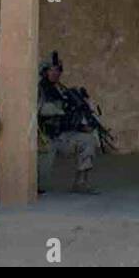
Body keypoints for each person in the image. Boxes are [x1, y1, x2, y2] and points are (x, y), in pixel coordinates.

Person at [37, 51, 100, 195]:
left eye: (58, 70)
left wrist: (81, 123)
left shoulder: (62, 90)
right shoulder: (39, 90)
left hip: (63, 134)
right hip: (44, 137)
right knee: (40, 175)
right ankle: (32, 186)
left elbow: (69, 115)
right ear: (45, 71)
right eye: (52, 70)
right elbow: (40, 111)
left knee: (88, 140)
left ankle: (81, 182)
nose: (56, 73)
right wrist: (60, 109)